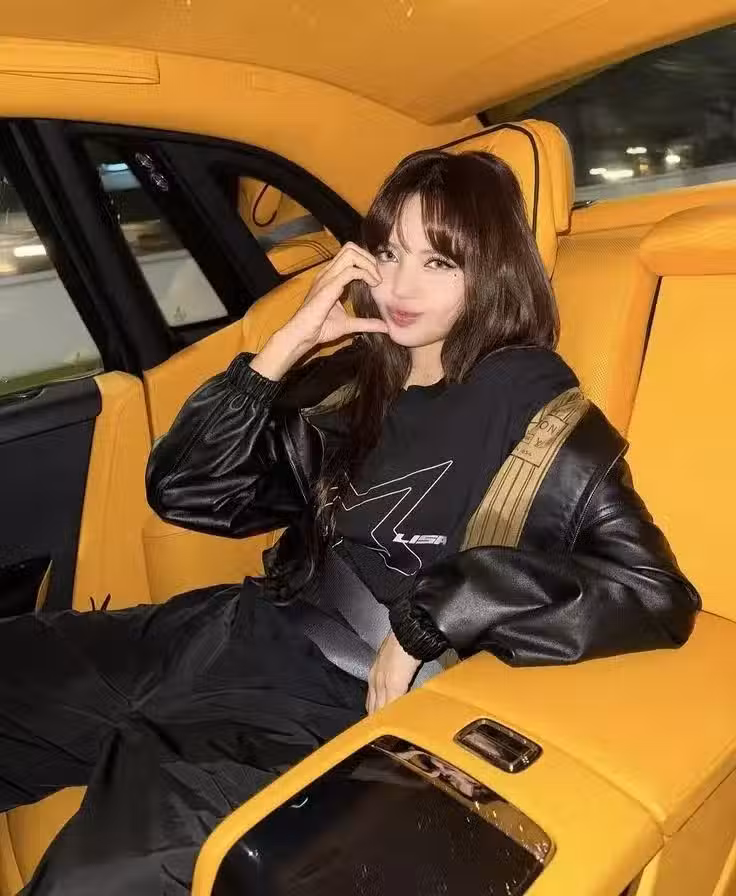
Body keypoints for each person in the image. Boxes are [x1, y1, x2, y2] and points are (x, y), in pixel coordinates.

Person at [0, 149, 699, 895]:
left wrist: (436, 612)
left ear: (491, 272)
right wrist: (285, 347)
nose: (398, 287)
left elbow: (655, 593)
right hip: (233, 629)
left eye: (437, 262)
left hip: (321, 705)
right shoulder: (349, 381)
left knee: (99, 877)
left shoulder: (541, 423)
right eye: (390, 253)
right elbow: (185, 491)